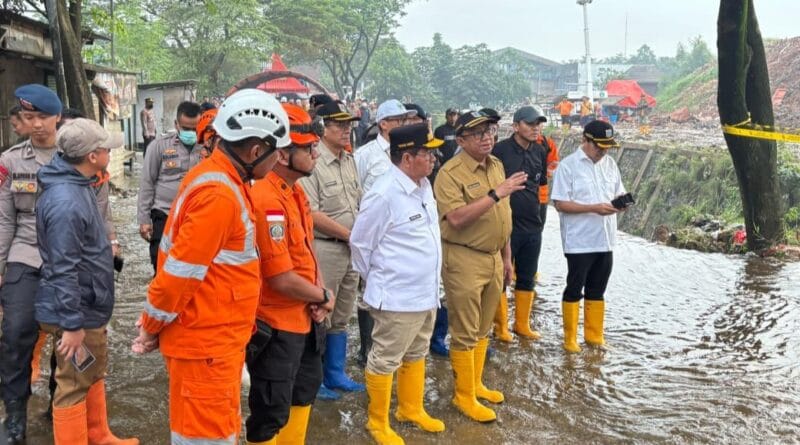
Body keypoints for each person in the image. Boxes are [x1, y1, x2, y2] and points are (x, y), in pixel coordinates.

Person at [131, 89, 289, 444]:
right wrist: (150, 325)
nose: (279, 161)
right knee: (206, 437)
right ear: (254, 151)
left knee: (220, 430)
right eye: (276, 153)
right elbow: (177, 276)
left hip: (215, 342)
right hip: (204, 346)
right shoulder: (219, 195)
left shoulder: (224, 181)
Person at [35, 118, 137, 444]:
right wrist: (72, 323)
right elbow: (64, 268)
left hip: (86, 304)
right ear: (92, 156)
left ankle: (99, 434)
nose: (110, 151)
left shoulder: (79, 185)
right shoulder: (66, 200)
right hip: (77, 310)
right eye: (105, 148)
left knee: (90, 372)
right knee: (73, 384)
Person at [246, 104, 336, 444]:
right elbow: (280, 277)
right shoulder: (266, 198)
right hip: (277, 326)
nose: (316, 152)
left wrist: (321, 295)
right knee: (271, 412)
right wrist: (323, 296)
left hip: (307, 317)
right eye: (309, 147)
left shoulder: (296, 192)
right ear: (282, 155)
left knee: (303, 395)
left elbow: (307, 254)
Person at [351, 123, 445, 444]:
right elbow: (360, 246)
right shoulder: (383, 193)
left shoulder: (423, 186)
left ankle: (410, 408)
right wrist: (381, 279)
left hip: (425, 294)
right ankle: (377, 421)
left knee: (417, 352)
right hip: (396, 298)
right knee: (385, 357)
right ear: (407, 158)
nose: (433, 159)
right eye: (427, 153)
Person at [433, 110, 527, 423]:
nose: (487, 138)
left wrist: (506, 258)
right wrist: (495, 194)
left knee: (484, 327)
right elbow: (457, 219)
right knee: (465, 330)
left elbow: (505, 216)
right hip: (463, 256)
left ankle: (475, 384)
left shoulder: (497, 165)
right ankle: (463, 396)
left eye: (489, 131)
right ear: (460, 140)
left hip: (494, 257)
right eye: (478, 134)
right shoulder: (450, 173)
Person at [0, 84, 62, 442]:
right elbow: (5, 219)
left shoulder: (78, 155)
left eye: (43, 116)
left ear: (57, 118)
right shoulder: (10, 161)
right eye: (29, 117)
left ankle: (60, 402)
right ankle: (15, 416)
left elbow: (98, 213)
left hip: (67, 257)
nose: (36, 124)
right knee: (15, 333)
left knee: (67, 335)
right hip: (24, 253)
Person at [298, 101, 365, 398]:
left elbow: (358, 201)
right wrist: (350, 235)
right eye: (339, 125)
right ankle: (315, 379)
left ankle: (335, 372)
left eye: (349, 124)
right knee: (318, 313)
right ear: (323, 128)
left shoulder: (349, 160)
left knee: (343, 313)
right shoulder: (312, 161)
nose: (346, 130)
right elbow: (310, 213)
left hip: (351, 249)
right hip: (325, 248)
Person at [550, 120, 627, 353]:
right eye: (599, 147)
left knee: (598, 289)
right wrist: (594, 208)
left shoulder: (610, 164)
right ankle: (570, 338)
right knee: (574, 288)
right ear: (586, 141)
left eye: (607, 147)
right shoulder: (568, 166)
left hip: (605, 239)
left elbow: (618, 192)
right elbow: (560, 203)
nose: (603, 152)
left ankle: (594, 336)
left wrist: (621, 203)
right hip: (579, 242)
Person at [491, 106, 548, 343]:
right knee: (503, 275)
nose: (535, 128)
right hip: (507, 224)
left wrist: (541, 217)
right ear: (516, 126)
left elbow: (541, 184)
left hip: (532, 224)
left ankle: (522, 324)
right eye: (530, 124)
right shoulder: (500, 150)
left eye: (538, 124)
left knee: (527, 275)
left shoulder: (540, 150)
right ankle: (500, 325)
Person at [137, 101, 204, 272]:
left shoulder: (208, 148)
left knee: (194, 268)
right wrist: (144, 220)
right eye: (186, 128)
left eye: (194, 129)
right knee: (161, 264)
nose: (190, 133)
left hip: (197, 216)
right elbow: (147, 183)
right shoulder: (159, 146)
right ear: (176, 124)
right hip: (164, 214)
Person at [355, 99, 417, 193]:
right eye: (400, 120)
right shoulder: (364, 154)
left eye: (406, 119)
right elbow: (354, 191)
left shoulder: (410, 152)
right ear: (383, 124)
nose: (405, 124)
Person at [432, 108, 459, 175]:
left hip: (459, 163)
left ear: (457, 116)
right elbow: (435, 147)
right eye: (450, 115)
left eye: (454, 115)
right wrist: (438, 160)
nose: (452, 117)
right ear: (446, 116)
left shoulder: (461, 129)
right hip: (445, 163)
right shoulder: (440, 130)